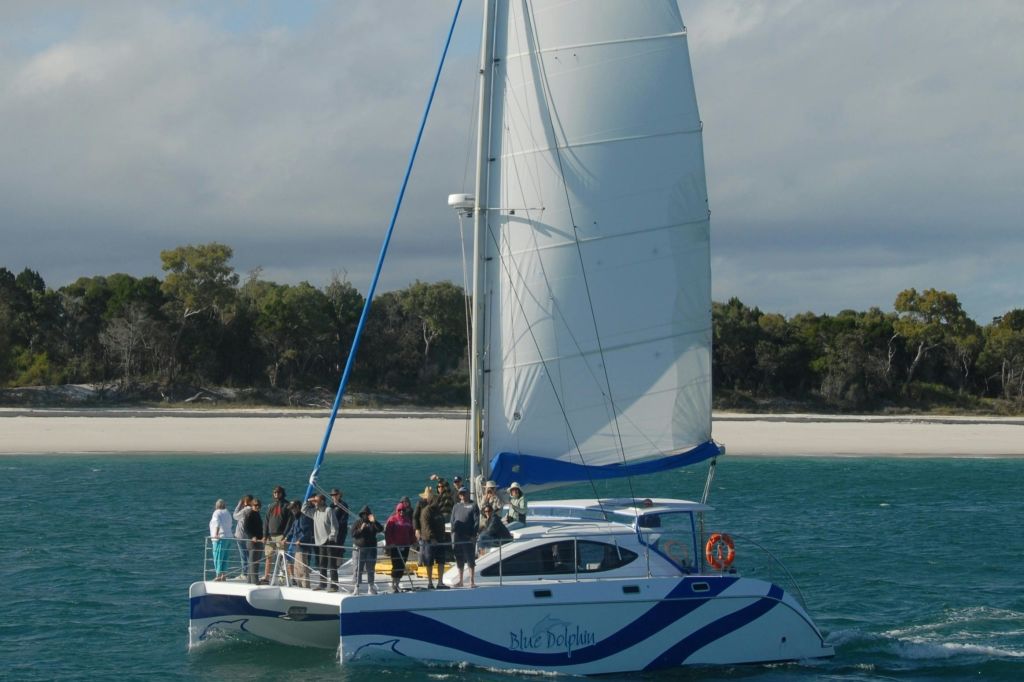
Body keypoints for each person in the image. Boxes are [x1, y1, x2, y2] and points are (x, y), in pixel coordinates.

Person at [302, 493, 339, 591]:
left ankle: (334, 586)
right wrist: (309, 500)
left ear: (322, 501)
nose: (315, 503)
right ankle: (322, 584)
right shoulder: (315, 512)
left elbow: (335, 526)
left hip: (329, 542)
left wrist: (332, 537)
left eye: (316, 501)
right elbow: (303, 510)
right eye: (314, 502)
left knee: (332, 564)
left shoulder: (329, 510)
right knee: (322, 564)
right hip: (320, 542)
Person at [416, 486, 447, 589]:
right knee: (429, 561)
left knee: (441, 561)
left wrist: (442, 537)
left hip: (440, 540)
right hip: (429, 541)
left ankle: (440, 582)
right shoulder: (426, 511)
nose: (437, 501)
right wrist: (432, 538)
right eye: (435, 499)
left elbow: (442, 523)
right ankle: (430, 582)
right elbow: (426, 526)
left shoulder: (438, 511)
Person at [450, 487, 480, 587]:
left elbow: (476, 522)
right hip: (457, 536)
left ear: (468, 494)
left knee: (470, 559)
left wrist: (473, 535)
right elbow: (452, 520)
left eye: (464, 493)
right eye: (461, 494)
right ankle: (460, 581)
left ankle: (472, 581)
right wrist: (452, 533)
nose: (462, 495)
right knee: (459, 558)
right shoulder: (456, 506)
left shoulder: (473, 505)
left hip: (468, 537)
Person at [350, 505, 384, 594]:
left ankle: (370, 587)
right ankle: (356, 587)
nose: (365, 515)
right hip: (359, 550)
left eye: (367, 514)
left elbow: (380, 529)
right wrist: (361, 529)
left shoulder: (373, 523)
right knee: (358, 569)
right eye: (363, 514)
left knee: (370, 569)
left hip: (371, 549)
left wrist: (374, 521)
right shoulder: (357, 523)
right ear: (361, 515)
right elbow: (353, 534)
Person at [384, 500, 416, 593]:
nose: (401, 512)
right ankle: (394, 583)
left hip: (405, 546)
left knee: (402, 566)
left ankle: (397, 584)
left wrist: (414, 541)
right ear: (397, 510)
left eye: (403, 510)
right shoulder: (392, 519)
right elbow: (388, 533)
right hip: (395, 547)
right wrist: (390, 543)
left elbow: (411, 533)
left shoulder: (407, 520)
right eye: (400, 510)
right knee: (396, 565)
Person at [262, 485, 291, 584]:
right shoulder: (271, 506)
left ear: (282, 493)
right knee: (268, 557)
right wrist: (265, 535)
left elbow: (290, 522)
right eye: (275, 492)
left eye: (278, 492)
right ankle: (266, 577)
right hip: (270, 535)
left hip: (281, 535)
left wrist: (285, 535)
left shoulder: (287, 506)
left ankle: (285, 577)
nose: (276, 494)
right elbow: (266, 521)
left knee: (283, 557)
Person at [286, 500, 312, 587]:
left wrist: (301, 540)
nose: (292, 511)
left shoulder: (303, 518)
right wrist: (285, 538)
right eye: (291, 509)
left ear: (298, 507)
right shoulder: (296, 519)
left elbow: (307, 532)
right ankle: (300, 586)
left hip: (302, 547)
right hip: (297, 547)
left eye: (293, 508)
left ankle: (305, 587)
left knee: (302, 569)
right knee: (297, 569)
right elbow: (292, 530)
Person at [328, 488, 350, 586]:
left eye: (335, 495)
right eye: (332, 495)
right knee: (333, 549)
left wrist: (336, 525)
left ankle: (339, 566)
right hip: (332, 532)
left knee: (339, 547)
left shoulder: (343, 505)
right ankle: (334, 568)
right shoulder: (331, 506)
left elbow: (344, 519)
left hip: (341, 532)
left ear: (339, 495)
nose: (334, 497)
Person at [208, 499, 233, 581]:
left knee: (218, 557)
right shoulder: (227, 512)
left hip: (220, 538)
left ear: (216, 506)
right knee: (225, 557)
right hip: (228, 537)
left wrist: (216, 534)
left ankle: (218, 575)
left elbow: (217, 523)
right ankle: (224, 575)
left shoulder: (216, 512)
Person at [243, 497, 266, 584]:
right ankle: (254, 582)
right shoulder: (250, 514)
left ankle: (249, 581)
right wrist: (252, 537)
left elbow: (259, 528)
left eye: (259, 505)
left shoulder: (257, 514)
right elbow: (246, 528)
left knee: (255, 563)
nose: (257, 507)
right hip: (253, 542)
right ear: (252, 506)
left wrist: (263, 537)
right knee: (253, 563)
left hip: (259, 541)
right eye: (255, 505)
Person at [233, 494, 253, 574]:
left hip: (241, 536)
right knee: (247, 554)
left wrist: (238, 505)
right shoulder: (251, 510)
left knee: (243, 555)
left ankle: (245, 572)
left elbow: (235, 516)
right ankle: (250, 571)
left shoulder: (246, 509)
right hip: (247, 535)